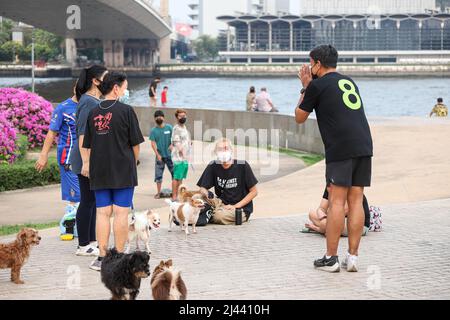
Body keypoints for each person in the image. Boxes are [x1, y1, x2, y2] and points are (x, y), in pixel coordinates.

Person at [296, 44, 373, 273]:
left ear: (318, 64)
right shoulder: (349, 81)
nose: (310, 68)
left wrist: (305, 87)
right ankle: (353, 258)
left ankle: (331, 258)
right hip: (364, 143)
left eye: (311, 63)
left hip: (341, 147)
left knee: (337, 201)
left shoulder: (316, 85)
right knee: (356, 200)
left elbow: (299, 117)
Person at [82, 72, 144, 271]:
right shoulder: (126, 111)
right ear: (116, 88)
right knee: (120, 213)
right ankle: (117, 257)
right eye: (125, 87)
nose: (125, 91)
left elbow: (88, 144)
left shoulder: (93, 112)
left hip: (99, 169)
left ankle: (102, 257)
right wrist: (133, 163)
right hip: (122, 168)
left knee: (102, 212)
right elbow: (135, 144)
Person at [69, 65, 108, 257]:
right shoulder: (87, 102)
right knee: (86, 201)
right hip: (84, 159)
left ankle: (91, 241)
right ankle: (82, 244)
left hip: (92, 159)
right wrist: (86, 162)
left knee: (92, 200)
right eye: (105, 78)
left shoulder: (94, 101)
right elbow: (82, 133)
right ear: (95, 80)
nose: (108, 82)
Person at [35, 84, 80, 215]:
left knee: (87, 196)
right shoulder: (63, 108)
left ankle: (83, 228)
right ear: (74, 88)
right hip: (69, 159)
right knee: (75, 197)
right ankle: (70, 226)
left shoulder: (90, 106)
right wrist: (43, 155)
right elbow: (51, 133)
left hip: (87, 158)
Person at [197, 138, 258, 225]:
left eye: (226, 148)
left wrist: (235, 206)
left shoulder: (242, 165)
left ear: (231, 150)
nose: (223, 151)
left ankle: (206, 213)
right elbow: (202, 188)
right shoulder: (213, 165)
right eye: (220, 149)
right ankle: (206, 212)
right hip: (221, 204)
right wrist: (207, 194)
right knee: (197, 197)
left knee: (219, 216)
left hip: (240, 208)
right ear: (216, 152)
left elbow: (254, 192)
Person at [303, 187, 370, 237]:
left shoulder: (348, 186)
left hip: (357, 224)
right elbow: (321, 208)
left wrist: (327, 219)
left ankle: (317, 228)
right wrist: (323, 218)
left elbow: (345, 211)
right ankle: (325, 228)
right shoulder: (329, 187)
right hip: (337, 219)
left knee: (325, 224)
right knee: (311, 213)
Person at [150, 110, 174, 199]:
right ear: (154, 118)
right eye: (156, 117)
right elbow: (153, 143)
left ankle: (175, 192)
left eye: (160, 116)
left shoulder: (169, 128)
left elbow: (175, 138)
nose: (158, 118)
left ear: (163, 117)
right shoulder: (153, 130)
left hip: (170, 156)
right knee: (158, 175)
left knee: (174, 174)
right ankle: (159, 193)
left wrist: (172, 145)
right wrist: (157, 154)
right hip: (160, 157)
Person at [171, 109, 192, 201]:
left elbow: (185, 140)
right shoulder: (176, 128)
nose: (183, 118)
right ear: (177, 117)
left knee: (181, 177)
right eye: (180, 116)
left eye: (184, 116)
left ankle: (180, 194)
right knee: (176, 177)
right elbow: (176, 142)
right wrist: (182, 153)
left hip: (185, 158)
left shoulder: (184, 127)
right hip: (179, 157)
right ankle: (174, 196)